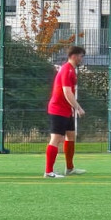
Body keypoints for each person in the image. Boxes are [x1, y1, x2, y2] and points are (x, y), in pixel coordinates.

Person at [44, 45, 87, 178]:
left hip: (66, 110)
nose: (81, 59)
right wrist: (78, 107)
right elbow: (67, 92)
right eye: (81, 56)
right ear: (74, 56)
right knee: (56, 138)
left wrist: (72, 109)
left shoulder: (71, 70)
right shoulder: (67, 70)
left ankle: (69, 168)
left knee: (71, 136)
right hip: (58, 109)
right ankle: (48, 171)